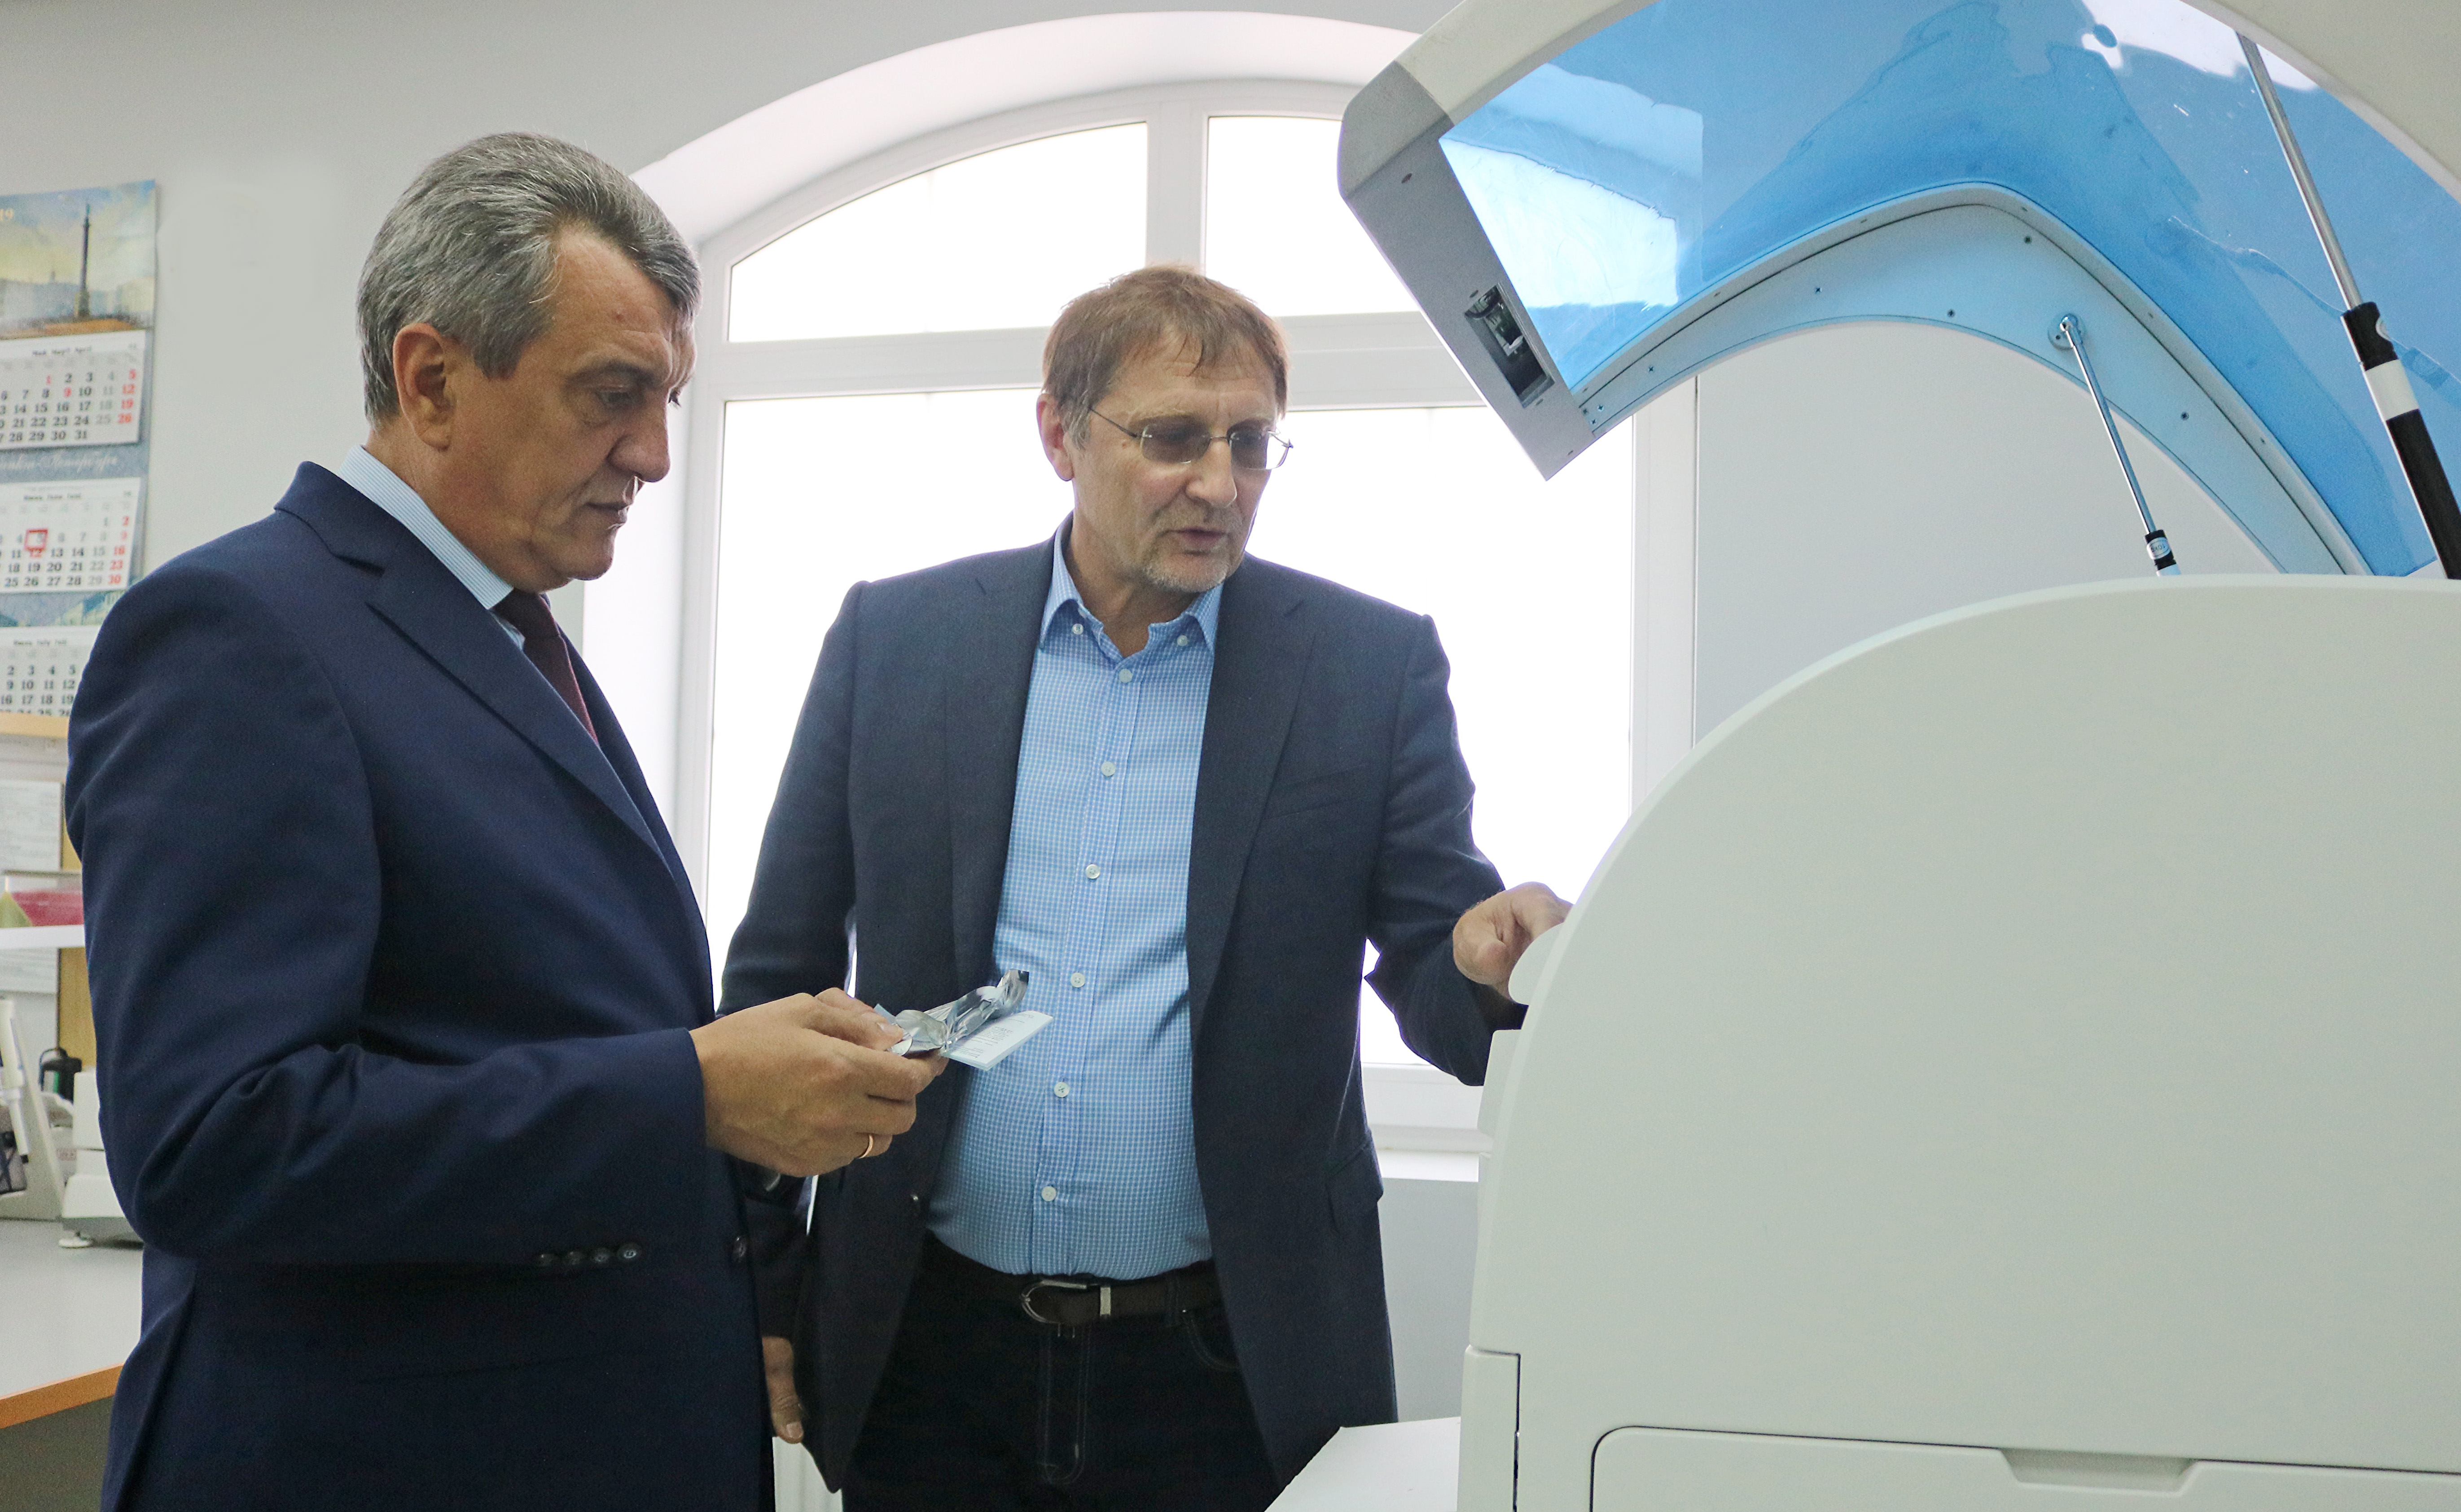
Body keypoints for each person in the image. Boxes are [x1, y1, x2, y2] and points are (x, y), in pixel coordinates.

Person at [66, 133, 940, 1512]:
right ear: (432, 380)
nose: (654, 454)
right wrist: (694, 1091)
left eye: (667, 398)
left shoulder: (506, 633)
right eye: (612, 395)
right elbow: (214, 1142)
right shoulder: (239, 633)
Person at [725, 265, 1570, 1510]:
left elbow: (1438, 984)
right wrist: (759, 1292)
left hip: (1227, 1371)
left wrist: (1500, 967)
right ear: (1060, 436)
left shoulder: (1363, 669)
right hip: (925, 1353)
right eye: (1173, 438)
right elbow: (775, 981)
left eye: (1251, 444)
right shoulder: (897, 642)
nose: (1220, 485)